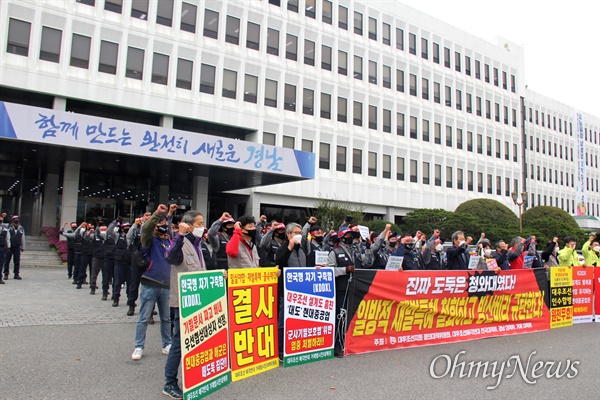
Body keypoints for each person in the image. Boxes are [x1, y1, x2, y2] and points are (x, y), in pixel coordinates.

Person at [163, 210, 224, 399]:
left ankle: (196, 377)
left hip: (200, 301)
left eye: (202, 223)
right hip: (183, 303)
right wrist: (179, 235)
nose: (202, 227)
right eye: (198, 224)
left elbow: (201, 273)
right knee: (179, 344)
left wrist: (218, 275)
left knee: (199, 342)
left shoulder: (200, 244)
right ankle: (170, 383)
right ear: (188, 226)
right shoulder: (181, 243)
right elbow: (170, 257)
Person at [131, 204, 172, 361]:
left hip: (166, 285)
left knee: (166, 318)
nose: (165, 227)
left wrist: (170, 214)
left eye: (166, 225)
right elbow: (146, 229)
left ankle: (166, 344)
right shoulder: (149, 239)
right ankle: (138, 347)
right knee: (143, 318)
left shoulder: (168, 241)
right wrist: (157, 214)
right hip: (150, 283)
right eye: (161, 225)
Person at [325, 227, 370, 357]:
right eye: (348, 235)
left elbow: (367, 263)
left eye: (352, 235)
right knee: (340, 317)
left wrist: (368, 249)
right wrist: (345, 269)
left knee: (354, 316)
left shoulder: (356, 251)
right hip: (341, 289)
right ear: (342, 238)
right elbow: (330, 271)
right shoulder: (334, 252)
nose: (351, 237)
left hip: (355, 288)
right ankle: (337, 345)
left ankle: (351, 343)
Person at [275, 222, 308, 361]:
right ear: (288, 234)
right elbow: (280, 263)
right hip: (286, 292)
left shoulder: (301, 250)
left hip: (300, 292)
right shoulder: (282, 249)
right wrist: (289, 247)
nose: (298, 236)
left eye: (300, 233)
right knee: (283, 321)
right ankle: (281, 351)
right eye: (295, 233)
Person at [109, 220, 132, 307]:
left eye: (129, 228)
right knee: (117, 281)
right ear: (122, 229)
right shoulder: (117, 236)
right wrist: (115, 222)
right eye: (126, 228)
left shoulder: (131, 237)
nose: (127, 229)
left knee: (130, 283)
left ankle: (130, 299)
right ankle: (115, 298)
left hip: (129, 263)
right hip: (119, 262)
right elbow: (109, 231)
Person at [4, 215, 25, 280]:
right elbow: (7, 237)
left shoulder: (21, 228)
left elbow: (23, 238)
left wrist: (23, 246)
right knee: (7, 261)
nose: (16, 222)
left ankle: (16, 274)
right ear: (12, 221)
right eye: (15, 221)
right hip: (9, 247)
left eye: (17, 221)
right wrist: (8, 246)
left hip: (17, 247)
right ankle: (6, 274)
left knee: (17, 261)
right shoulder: (8, 227)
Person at [89, 225, 106, 295]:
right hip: (96, 257)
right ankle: (92, 287)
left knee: (106, 275)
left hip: (105, 258)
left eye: (104, 230)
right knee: (94, 274)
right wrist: (89, 232)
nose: (103, 231)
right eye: (101, 230)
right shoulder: (95, 237)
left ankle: (105, 289)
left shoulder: (108, 237)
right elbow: (86, 237)